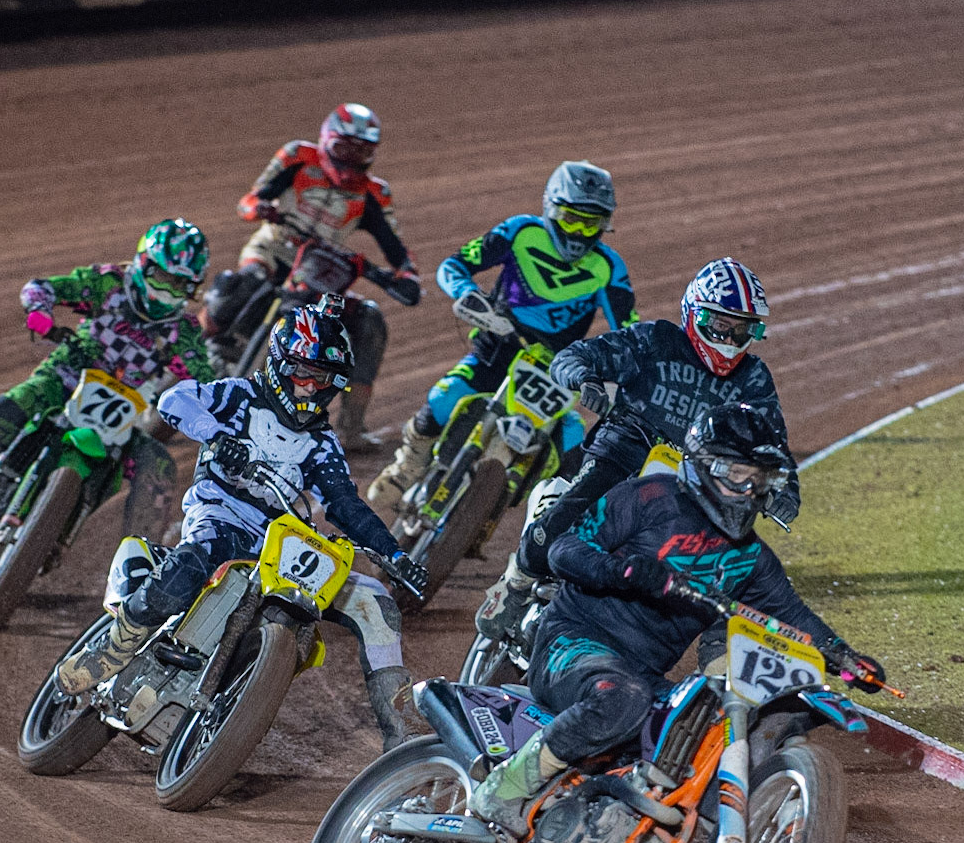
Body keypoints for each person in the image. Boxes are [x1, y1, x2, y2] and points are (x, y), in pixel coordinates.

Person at [467, 404, 885, 835]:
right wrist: (624, 572)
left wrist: (845, 658)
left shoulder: (752, 558)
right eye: (737, 474)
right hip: (572, 641)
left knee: (702, 726)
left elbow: (792, 616)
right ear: (705, 466)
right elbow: (564, 550)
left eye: (757, 480)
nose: (746, 490)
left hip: (644, 672)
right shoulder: (647, 498)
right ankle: (503, 789)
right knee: (622, 699)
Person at [56, 297, 433, 748]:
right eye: (301, 375)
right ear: (278, 364)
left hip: (281, 544)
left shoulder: (323, 444)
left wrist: (394, 554)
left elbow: (345, 504)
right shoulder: (241, 396)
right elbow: (176, 398)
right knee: (195, 560)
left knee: (375, 602)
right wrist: (216, 434)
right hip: (220, 513)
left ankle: (401, 733)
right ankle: (115, 645)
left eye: (323, 381)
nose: (310, 390)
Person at [471, 255, 800, 643]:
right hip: (624, 449)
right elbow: (573, 356)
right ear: (694, 314)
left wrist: (786, 490)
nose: (729, 340)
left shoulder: (754, 377)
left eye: (741, 331)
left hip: (693, 484)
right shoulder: (654, 341)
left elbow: (772, 439)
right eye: (720, 326)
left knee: (713, 577)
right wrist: (585, 378)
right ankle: (515, 583)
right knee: (570, 513)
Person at [0, 219, 215, 540]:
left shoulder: (184, 332)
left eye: (179, 286)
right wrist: (40, 311)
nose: (166, 292)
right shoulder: (108, 285)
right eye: (163, 278)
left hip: (123, 420)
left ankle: (140, 560)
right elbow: (41, 287)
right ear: (143, 263)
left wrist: (216, 410)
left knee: (160, 465)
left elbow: (207, 381)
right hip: (63, 378)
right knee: (0, 413)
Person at [367, 161, 635, 511]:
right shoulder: (521, 232)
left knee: (572, 450)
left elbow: (628, 332)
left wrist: (624, 373)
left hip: (557, 372)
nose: (580, 234)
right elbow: (454, 265)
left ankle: (542, 531)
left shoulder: (609, 267)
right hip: (497, 347)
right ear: (552, 210)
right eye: (572, 219)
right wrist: (467, 294)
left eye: (591, 224)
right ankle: (408, 465)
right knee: (441, 401)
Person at [199, 103, 423, 453]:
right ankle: (186, 346)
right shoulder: (298, 157)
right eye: (344, 148)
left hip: (321, 269)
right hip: (273, 249)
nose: (351, 159)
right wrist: (258, 208)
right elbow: (250, 198)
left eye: (361, 151)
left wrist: (406, 275)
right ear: (326, 141)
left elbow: (395, 246)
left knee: (368, 322)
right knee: (241, 285)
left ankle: (352, 427)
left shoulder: (374, 194)